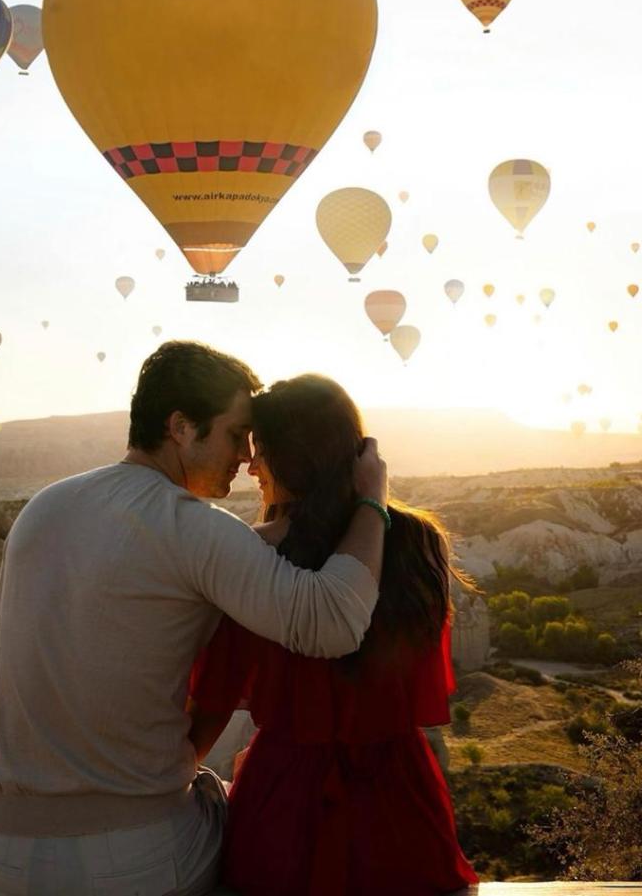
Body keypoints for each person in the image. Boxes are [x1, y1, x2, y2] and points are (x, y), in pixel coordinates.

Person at [0, 342, 389, 896]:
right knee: (242, 805)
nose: (246, 457)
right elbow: (333, 620)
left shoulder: (44, 508)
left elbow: (165, 562)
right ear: (182, 427)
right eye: (236, 435)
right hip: (134, 859)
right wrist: (370, 502)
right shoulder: (194, 528)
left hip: (1, 852)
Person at [188, 374, 481, 896]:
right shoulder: (418, 542)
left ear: (296, 457)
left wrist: (165, 781)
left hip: (284, 797)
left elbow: (214, 696)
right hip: (399, 799)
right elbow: (414, 677)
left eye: (263, 452)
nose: (252, 467)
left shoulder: (250, 553)